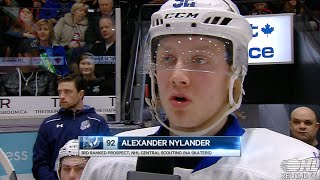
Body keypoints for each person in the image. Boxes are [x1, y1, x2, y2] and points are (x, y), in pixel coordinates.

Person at [80, 0, 320, 180]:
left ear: (235, 74)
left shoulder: (291, 166)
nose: (177, 76)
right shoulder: (109, 160)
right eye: (167, 58)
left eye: (200, 60)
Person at [32, 73, 111, 180]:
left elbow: (106, 159)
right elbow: (40, 163)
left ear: (81, 94)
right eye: (59, 92)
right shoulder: (49, 124)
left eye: (67, 92)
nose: (62, 96)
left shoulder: (97, 122)